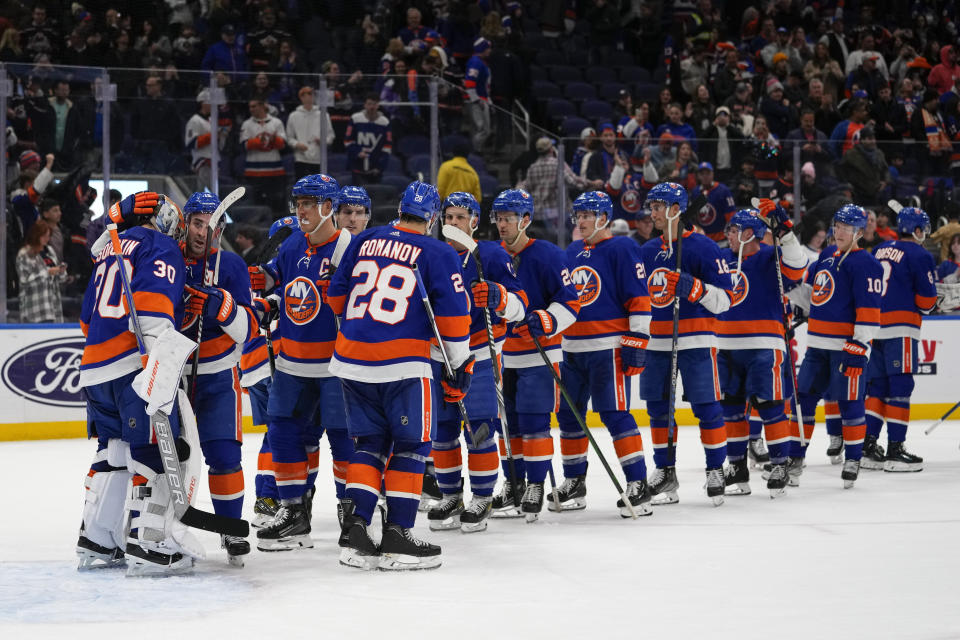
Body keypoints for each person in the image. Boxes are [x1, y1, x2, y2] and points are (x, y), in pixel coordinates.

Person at [327, 181, 472, 571]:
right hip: (404, 364)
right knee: (411, 446)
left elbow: (336, 298)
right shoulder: (438, 251)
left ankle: (356, 531)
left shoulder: (367, 239)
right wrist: (461, 367)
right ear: (434, 217)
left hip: (351, 358)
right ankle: (398, 536)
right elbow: (455, 323)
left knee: (368, 443)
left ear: (399, 209)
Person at [77, 192, 198, 576]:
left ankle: (98, 537)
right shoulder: (160, 246)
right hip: (133, 365)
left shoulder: (108, 250)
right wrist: (160, 370)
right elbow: (151, 314)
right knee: (156, 451)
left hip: (95, 367)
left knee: (112, 453)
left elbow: (85, 320)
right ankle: (149, 542)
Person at [250, 174, 355, 551]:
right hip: (292, 364)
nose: (301, 210)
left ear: (328, 208)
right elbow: (281, 288)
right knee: (282, 434)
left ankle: (352, 511)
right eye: (298, 202)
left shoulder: (349, 249)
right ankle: (294, 511)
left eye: (309, 203)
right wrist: (265, 300)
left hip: (335, 367)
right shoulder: (295, 243)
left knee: (345, 441)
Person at [427, 192, 527, 533]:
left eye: (459, 217)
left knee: (480, 430)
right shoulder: (430, 253)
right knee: (442, 431)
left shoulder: (491, 255)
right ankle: (451, 495)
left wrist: (500, 298)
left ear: (474, 222)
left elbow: (521, 305)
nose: (452, 223)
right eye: (448, 217)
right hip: (437, 357)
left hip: (479, 357)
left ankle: (482, 496)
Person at [555, 191, 653, 516]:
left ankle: (638, 483)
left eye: (586, 215)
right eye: (578, 215)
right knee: (569, 416)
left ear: (602, 218)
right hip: (571, 349)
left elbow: (638, 297)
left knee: (614, 414)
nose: (580, 221)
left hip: (607, 348)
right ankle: (574, 483)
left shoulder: (623, 247)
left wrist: (638, 339)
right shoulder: (571, 251)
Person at [639, 182, 733, 506]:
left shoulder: (704, 248)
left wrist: (695, 289)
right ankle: (665, 472)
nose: (651, 213)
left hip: (696, 341)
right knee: (657, 410)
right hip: (656, 344)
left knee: (707, 407)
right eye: (651, 206)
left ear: (676, 209)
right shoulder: (648, 250)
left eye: (657, 206)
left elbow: (725, 301)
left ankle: (715, 469)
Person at [490, 189, 580, 520]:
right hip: (502, 355)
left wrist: (546, 319)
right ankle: (513, 483)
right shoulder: (493, 256)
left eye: (508, 218)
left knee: (534, 423)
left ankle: (536, 484)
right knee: (506, 425)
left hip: (540, 355)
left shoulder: (549, 255)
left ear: (525, 220)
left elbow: (571, 301)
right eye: (498, 218)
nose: (502, 224)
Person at [179, 192, 258, 564]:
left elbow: (249, 330)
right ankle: (158, 529)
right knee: (166, 459)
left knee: (225, 456)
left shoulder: (232, 267)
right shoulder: (167, 260)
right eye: (197, 223)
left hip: (218, 376)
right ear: (186, 223)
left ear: (221, 227)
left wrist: (221, 306)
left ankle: (229, 529)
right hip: (172, 378)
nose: (202, 232)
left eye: (210, 226)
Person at [715, 204, 806, 498]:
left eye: (734, 230)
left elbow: (799, 266)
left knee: (770, 405)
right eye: (729, 229)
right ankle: (737, 467)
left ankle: (779, 463)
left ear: (750, 233)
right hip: (726, 346)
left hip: (765, 345)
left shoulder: (771, 256)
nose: (729, 234)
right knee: (731, 409)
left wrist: (787, 234)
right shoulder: (721, 260)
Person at [790, 204, 883, 488]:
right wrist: (790, 287)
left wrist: (859, 344)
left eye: (846, 227)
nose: (839, 231)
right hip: (816, 346)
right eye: (837, 225)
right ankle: (795, 457)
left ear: (858, 232)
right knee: (803, 400)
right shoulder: (827, 255)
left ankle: (853, 458)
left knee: (850, 402)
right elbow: (814, 298)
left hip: (846, 348)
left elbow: (869, 310)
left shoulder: (867, 263)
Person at [863, 208, 939, 472]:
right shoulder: (920, 254)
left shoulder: (880, 249)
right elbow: (927, 302)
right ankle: (895, 449)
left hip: (874, 327)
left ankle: (867, 447)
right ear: (917, 230)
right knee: (900, 386)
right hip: (901, 328)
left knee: (877, 387)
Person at [16, 219, 66, 323]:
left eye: (48, 236)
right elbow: (24, 280)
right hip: (34, 309)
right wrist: (47, 273)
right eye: (44, 236)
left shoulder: (50, 251)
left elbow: (60, 278)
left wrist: (61, 271)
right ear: (36, 235)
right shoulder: (24, 254)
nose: (47, 239)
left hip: (53, 309)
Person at [240, 98, 287, 207]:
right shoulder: (246, 124)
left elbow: (283, 145)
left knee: (275, 202)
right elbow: (242, 145)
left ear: (262, 106)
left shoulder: (276, 122)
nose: (251, 109)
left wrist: (274, 140)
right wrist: (258, 142)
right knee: (256, 203)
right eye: (250, 107)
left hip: (274, 170)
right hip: (253, 170)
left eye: (254, 106)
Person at [286, 86, 335, 179]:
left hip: (318, 158)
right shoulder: (293, 116)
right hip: (301, 158)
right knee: (302, 188)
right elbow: (289, 137)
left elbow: (330, 136)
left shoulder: (323, 115)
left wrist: (323, 141)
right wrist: (297, 144)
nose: (309, 97)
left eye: (311, 94)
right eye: (306, 94)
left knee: (317, 189)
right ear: (301, 97)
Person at [344, 95, 393, 185]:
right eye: (369, 104)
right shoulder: (355, 119)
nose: (372, 107)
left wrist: (380, 167)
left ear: (378, 105)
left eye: (374, 104)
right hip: (357, 167)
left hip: (375, 169)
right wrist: (358, 153)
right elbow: (347, 141)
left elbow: (387, 147)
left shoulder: (384, 122)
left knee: (375, 197)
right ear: (365, 105)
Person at [689, 162, 736, 242]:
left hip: (721, 239)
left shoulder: (723, 191)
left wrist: (729, 234)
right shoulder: (695, 192)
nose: (705, 176)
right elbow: (692, 217)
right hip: (702, 239)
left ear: (713, 174)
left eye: (708, 173)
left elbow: (731, 215)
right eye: (702, 174)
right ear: (698, 176)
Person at [464, 38, 493, 152]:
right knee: (483, 130)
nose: (490, 50)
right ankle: (475, 153)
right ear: (483, 49)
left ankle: (476, 153)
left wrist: (488, 100)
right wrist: (477, 100)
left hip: (481, 98)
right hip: (477, 101)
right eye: (488, 48)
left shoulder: (480, 62)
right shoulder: (475, 62)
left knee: (477, 130)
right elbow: (470, 82)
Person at [185, 90, 214, 191]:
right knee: (201, 192)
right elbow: (191, 143)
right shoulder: (194, 120)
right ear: (203, 103)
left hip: (212, 161)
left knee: (213, 192)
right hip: (201, 161)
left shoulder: (212, 120)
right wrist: (211, 136)